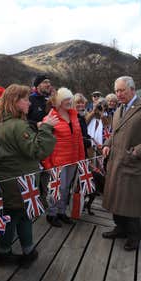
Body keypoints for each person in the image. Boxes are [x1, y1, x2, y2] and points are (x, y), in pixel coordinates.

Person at [0, 84, 57, 266]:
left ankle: (13, 251)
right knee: (19, 215)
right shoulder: (18, 126)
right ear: (15, 101)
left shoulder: (0, 122)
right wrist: (46, 128)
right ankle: (16, 252)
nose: (29, 102)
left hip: (8, 179)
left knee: (14, 215)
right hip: (19, 180)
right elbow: (38, 150)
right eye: (25, 99)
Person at [101, 76, 141, 250]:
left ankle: (134, 236)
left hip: (133, 163)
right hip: (115, 162)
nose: (118, 94)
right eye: (116, 91)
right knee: (116, 198)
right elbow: (115, 133)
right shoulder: (119, 109)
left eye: (122, 90)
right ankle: (120, 228)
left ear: (133, 89)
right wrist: (107, 144)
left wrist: (137, 151)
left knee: (131, 202)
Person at [42, 88, 85, 227]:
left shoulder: (74, 116)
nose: (69, 101)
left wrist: (81, 159)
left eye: (70, 98)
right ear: (59, 102)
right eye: (66, 99)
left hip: (72, 159)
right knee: (55, 188)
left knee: (66, 187)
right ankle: (51, 213)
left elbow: (79, 139)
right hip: (57, 161)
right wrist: (47, 164)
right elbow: (44, 144)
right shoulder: (50, 118)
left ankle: (61, 212)